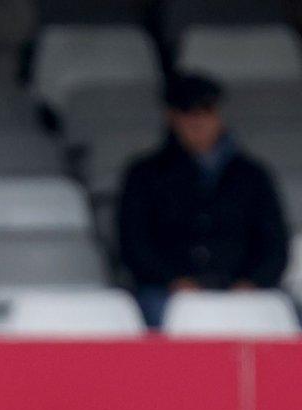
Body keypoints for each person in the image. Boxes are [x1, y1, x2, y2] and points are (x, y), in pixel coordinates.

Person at [117, 72, 290, 328]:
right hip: (167, 291)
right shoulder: (145, 175)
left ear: (218, 114)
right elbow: (134, 243)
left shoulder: (252, 175)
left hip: (243, 288)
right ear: (172, 117)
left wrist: (250, 283)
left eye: (205, 110)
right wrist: (174, 281)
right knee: (153, 315)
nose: (197, 120)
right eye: (187, 111)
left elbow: (274, 243)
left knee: (282, 314)